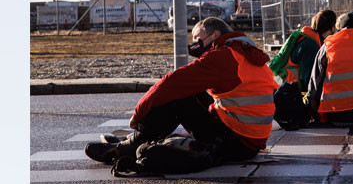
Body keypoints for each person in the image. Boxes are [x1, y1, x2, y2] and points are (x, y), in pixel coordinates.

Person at [84, 17, 278, 170]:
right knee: (193, 91)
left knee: (179, 96)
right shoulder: (245, 54)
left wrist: (138, 115)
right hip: (249, 142)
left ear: (215, 34)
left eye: (198, 39)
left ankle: (126, 148)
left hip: (235, 144)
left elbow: (172, 83)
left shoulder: (222, 57)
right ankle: (141, 139)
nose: (195, 45)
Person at [269, 9, 336, 92]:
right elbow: (310, 81)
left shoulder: (309, 38)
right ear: (332, 27)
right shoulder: (310, 46)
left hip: (287, 88)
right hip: (291, 94)